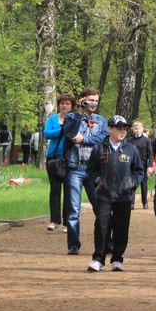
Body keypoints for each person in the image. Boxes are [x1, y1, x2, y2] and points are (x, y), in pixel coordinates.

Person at [86, 115, 145, 272]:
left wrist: (132, 183)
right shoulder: (99, 148)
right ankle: (98, 258)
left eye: (125, 128)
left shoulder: (131, 149)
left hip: (123, 196)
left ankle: (117, 258)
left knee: (121, 227)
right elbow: (91, 169)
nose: (122, 131)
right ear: (110, 129)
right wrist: (98, 180)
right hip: (104, 195)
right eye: (119, 128)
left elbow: (139, 170)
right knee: (101, 225)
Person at [62, 88, 109, 255]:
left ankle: (105, 244)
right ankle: (73, 245)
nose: (93, 104)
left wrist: (85, 139)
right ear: (82, 100)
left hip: (94, 170)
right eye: (90, 100)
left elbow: (103, 139)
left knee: (101, 208)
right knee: (73, 209)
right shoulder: (72, 117)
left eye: (96, 101)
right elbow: (69, 133)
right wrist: (80, 113)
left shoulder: (101, 120)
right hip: (75, 168)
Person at [43, 93, 74, 232]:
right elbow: (47, 134)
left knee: (69, 190)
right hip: (53, 158)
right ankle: (54, 220)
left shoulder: (74, 119)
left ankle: (68, 222)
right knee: (54, 189)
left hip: (69, 158)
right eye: (62, 103)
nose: (64, 106)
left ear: (72, 106)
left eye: (67, 103)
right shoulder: (52, 119)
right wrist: (61, 129)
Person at [128, 120, 154, 209]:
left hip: (143, 165)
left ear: (142, 129)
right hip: (132, 165)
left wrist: (150, 166)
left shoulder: (146, 140)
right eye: (136, 128)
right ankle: (131, 203)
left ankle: (145, 202)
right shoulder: (130, 140)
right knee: (132, 183)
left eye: (139, 128)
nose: (137, 130)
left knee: (144, 184)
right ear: (133, 129)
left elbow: (150, 154)